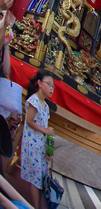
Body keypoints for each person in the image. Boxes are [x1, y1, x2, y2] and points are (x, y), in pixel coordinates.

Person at [21, 70, 55, 209]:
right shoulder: (34, 100)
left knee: (41, 180)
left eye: (53, 86)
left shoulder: (46, 106)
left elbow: (45, 127)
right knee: (35, 180)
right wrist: (45, 131)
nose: (52, 88)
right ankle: (35, 206)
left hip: (41, 146)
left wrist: (49, 149)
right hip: (32, 145)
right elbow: (29, 121)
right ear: (40, 83)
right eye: (49, 84)